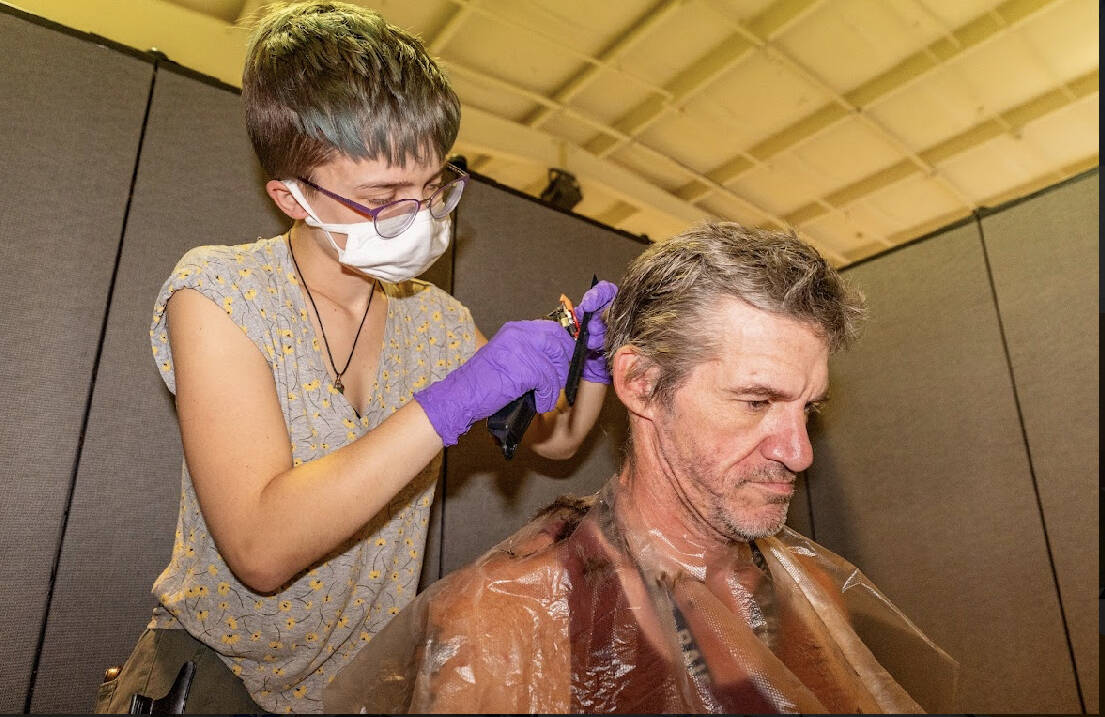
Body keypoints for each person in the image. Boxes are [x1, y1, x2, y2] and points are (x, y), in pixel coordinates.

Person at [96, 2, 616, 713]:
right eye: (384, 198)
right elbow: (260, 545)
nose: (425, 215)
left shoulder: (437, 322)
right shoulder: (220, 292)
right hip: (210, 673)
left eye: (435, 187)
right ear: (292, 197)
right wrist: (455, 399)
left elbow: (555, 441)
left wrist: (590, 362)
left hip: (352, 692)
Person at [323, 222, 960, 714]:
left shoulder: (814, 598)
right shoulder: (506, 624)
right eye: (756, 402)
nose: (799, 453)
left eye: (807, 408)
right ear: (642, 383)